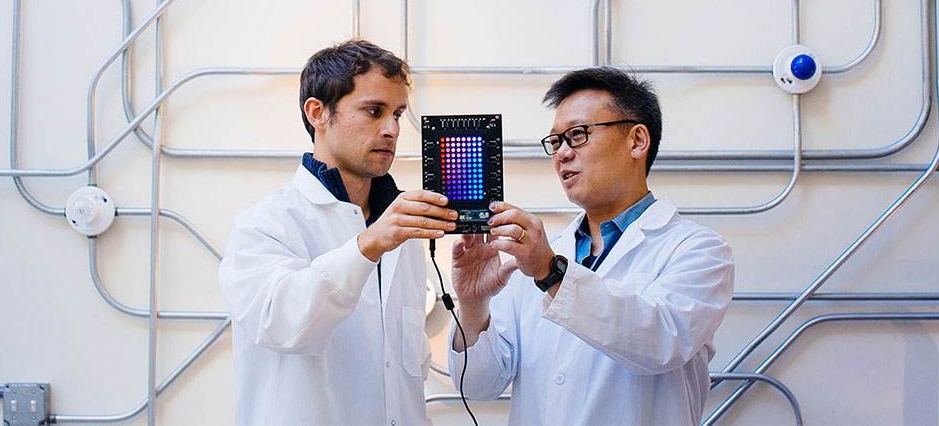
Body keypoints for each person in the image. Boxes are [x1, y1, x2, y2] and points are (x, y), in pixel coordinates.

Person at [449, 66, 734, 425]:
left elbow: (661, 343)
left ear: (637, 140)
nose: (562, 154)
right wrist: (474, 305)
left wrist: (551, 273)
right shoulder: (538, 255)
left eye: (578, 135)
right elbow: (479, 385)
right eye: (555, 141)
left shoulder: (699, 251)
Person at [218, 39, 458, 426]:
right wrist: (368, 245)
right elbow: (283, 325)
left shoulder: (403, 233)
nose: (392, 129)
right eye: (373, 111)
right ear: (318, 113)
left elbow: (405, 375)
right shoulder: (266, 224)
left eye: (397, 113)